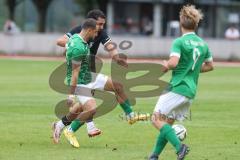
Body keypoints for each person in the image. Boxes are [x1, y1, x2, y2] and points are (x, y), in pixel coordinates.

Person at [56, 9, 149, 148]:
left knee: (117, 86)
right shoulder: (78, 38)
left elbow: (110, 46)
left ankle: (130, 116)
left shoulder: (97, 33)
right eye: (99, 25)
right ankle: (72, 129)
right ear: (90, 25)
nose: (101, 29)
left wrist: (117, 57)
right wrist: (71, 46)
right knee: (88, 108)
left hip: (90, 74)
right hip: (81, 77)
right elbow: (61, 43)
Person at [148, 5, 214, 160]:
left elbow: (173, 62)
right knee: (167, 124)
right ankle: (154, 156)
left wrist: (165, 65)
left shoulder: (179, 42)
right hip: (190, 91)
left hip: (177, 87)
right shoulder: (204, 44)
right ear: (196, 24)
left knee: (156, 119)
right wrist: (193, 70)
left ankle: (180, 147)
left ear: (180, 23)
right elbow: (210, 66)